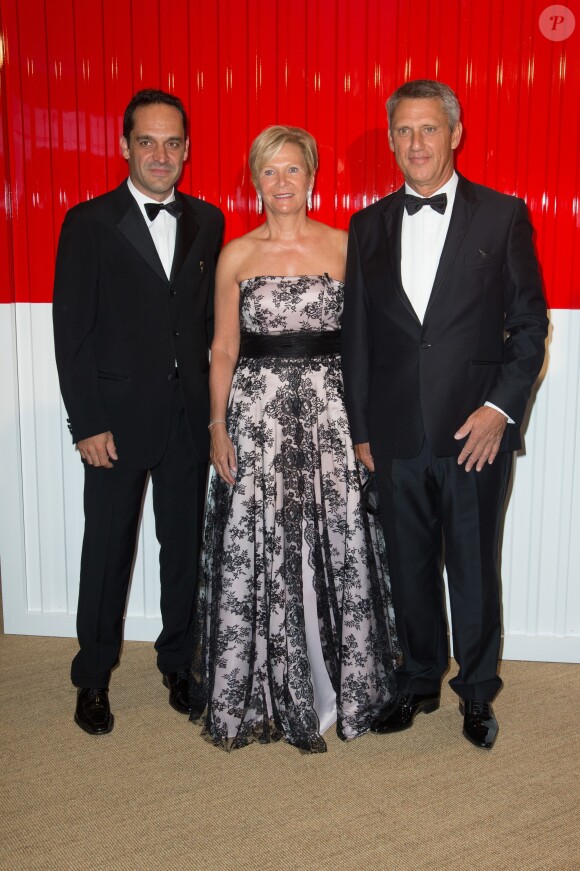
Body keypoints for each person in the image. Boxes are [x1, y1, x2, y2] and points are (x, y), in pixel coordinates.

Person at [342, 80, 548, 749]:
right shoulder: (367, 225)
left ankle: (477, 691)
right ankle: (420, 678)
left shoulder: (504, 216)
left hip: (474, 435)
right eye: (403, 131)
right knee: (407, 567)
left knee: (473, 566)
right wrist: (363, 430)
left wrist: (500, 409)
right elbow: (359, 336)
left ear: (455, 134)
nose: (415, 143)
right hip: (395, 434)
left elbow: (528, 326)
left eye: (428, 129)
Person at [190, 125, 397, 752]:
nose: (281, 183)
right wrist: (217, 425)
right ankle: (267, 686)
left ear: (311, 177)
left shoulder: (343, 246)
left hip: (330, 416)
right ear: (256, 179)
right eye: (269, 171)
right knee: (263, 541)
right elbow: (223, 348)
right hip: (256, 419)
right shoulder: (236, 254)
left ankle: (337, 685)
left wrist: (365, 425)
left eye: (293, 170)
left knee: (332, 537)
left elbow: (365, 344)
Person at [53, 89, 224, 735]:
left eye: (172, 141)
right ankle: (92, 678)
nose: (160, 153)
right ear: (124, 146)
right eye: (147, 140)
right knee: (107, 553)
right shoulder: (89, 221)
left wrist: (216, 416)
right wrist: (87, 422)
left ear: (186, 149)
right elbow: (73, 333)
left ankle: (179, 663)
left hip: (186, 419)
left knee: (184, 550)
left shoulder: (208, 220)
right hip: (116, 424)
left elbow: (208, 325)